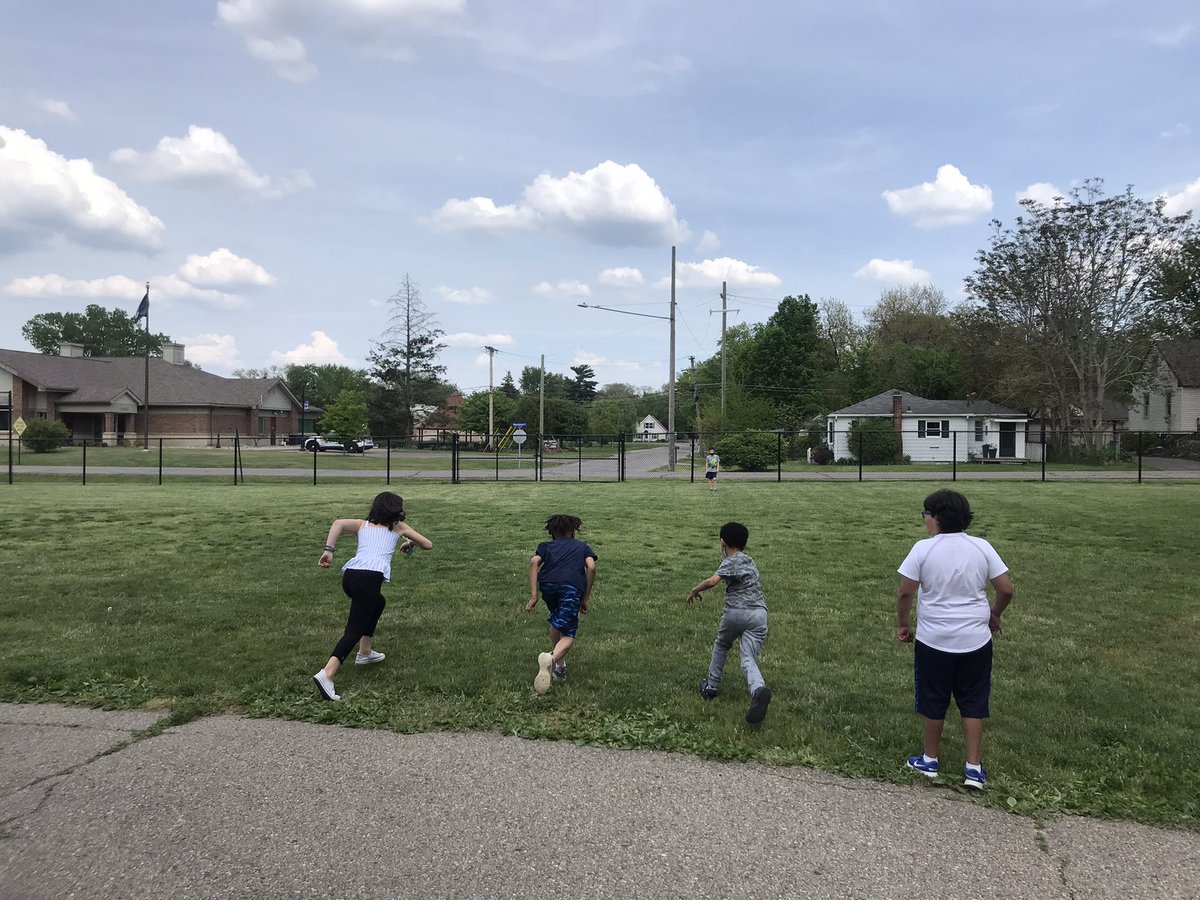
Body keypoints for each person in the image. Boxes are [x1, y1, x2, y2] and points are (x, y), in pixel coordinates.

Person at [896, 489, 1013, 790]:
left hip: (934, 640)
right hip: (975, 639)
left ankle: (929, 760)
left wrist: (903, 624)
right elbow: (1005, 589)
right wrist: (993, 614)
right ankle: (973, 767)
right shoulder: (981, 547)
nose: (924, 521)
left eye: (925, 515)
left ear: (935, 517)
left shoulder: (923, 549)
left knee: (934, 697)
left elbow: (906, 591)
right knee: (974, 699)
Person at [312, 491, 432, 702]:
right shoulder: (399, 528)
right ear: (397, 510)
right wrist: (409, 543)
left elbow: (338, 523)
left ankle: (365, 653)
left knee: (378, 602)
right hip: (368, 579)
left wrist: (329, 551)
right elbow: (427, 544)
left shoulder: (362, 524)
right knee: (354, 629)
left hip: (350, 577)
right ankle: (327, 674)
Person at [687, 521, 772, 724]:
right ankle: (758, 689)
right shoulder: (749, 560)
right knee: (748, 657)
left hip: (735, 613)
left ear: (722, 543)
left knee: (723, 644)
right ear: (744, 544)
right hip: (759, 614)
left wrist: (695, 590)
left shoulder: (729, 561)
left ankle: (712, 686)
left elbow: (713, 581)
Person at [525, 514, 597, 695]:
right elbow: (591, 566)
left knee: (557, 619)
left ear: (552, 533)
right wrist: (585, 597)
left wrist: (534, 596)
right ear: (573, 531)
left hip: (548, 586)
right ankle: (552, 658)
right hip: (571, 588)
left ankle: (560, 667)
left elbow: (534, 562)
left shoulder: (546, 546)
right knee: (569, 633)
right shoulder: (582, 547)